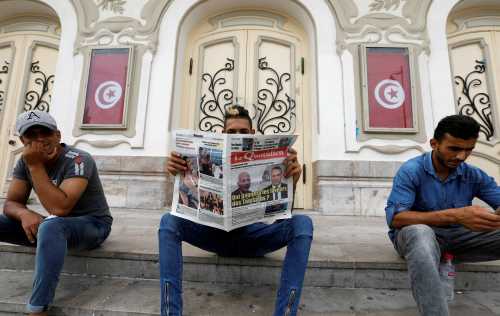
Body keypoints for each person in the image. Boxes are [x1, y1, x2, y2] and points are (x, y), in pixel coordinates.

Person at [159, 105, 313, 316]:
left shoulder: (274, 162)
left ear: (252, 134)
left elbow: (281, 216)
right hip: (214, 236)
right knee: (168, 221)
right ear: (223, 135)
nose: (237, 136)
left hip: (254, 237)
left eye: (242, 132)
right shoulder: (209, 159)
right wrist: (176, 175)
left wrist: (291, 182)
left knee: (303, 223)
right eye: (231, 132)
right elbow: (184, 206)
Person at [385, 115, 500, 316]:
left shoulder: (473, 174)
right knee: (420, 233)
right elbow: (396, 219)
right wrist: (455, 216)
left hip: (460, 239)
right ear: (434, 143)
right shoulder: (411, 171)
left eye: (468, 150)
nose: (461, 157)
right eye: (454, 149)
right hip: (418, 239)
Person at [0, 110, 112, 316]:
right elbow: (12, 203)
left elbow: (60, 209)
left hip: (93, 225)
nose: (40, 139)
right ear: (23, 140)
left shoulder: (78, 159)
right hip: (55, 226)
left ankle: (38, 309)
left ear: (58, 135)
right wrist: (25, 214)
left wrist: (35, 166)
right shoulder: (24, 162)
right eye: (32, 135)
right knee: (50, 226)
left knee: (52, 225)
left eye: (46, 132)